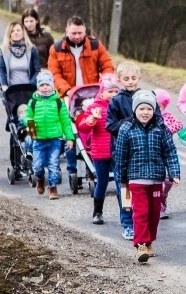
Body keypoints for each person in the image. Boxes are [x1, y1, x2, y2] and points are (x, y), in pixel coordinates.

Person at [115, 90, 180, 263]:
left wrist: (174, 173)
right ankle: (140, 245)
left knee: (154, 213)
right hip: (136, 179)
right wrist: (122, 180)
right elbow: (121, 156)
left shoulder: (160, 128)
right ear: (135, 110)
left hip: (156, 178)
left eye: (149, 109)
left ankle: (149, 240)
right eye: (141, 108)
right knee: (141, 212)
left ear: (154, 110)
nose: (145, 112)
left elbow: (170, 152)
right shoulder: (126, 129)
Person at [48, 15, 115, 179]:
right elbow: (54, 74)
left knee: (92, 131)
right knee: (71, 132)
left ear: (85, 31)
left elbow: (107, 66)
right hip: (69, 95)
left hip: (92, 96)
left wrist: (106, 84)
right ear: (66, 31)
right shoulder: (56, 49)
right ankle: (72, 170)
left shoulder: (95, 45)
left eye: (80, 33)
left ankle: (91, 166)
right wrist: (67, 90)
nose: (77, 36)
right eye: (73, 33)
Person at [106, 61, 149, 240]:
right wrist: (130, 123)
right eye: (126, 79)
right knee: (125, 190)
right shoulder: (116, 101)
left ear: (139, 78)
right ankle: (127, 224)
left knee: (143, 190)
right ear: (119, 80)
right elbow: (110, 125)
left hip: (144, 153)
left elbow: (157, 119)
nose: (130, 82)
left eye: (133, 78)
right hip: (122, 153)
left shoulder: (147, 96)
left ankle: (142, 223)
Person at [77, 75, 119, 224]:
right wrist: (90, 121)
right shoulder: (94, 107)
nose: (114, 95)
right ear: (102, 93)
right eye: (110, 92)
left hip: (118, 151)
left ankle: (125, 214)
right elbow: (83, 128)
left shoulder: (120, 107)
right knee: (102, 181)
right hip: (100, 152)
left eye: (116, 91)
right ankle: (97, 212)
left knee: (121, 182)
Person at [26, 71, 74, 200]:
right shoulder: (33, 102)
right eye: (42, 85)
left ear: (52, 86)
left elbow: (65, 121)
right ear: (37, 87)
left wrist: (69, 138)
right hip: (39, 139)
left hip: (55, 139)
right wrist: (29, 124)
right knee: (37, 165)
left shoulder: (58, 102)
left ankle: (53, 187)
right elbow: (27, 117)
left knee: (53, 164)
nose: (45, 87)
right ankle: (40, 179)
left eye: (47, 84)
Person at [155, 88, 183, 219]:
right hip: (155, 152)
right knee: (158, 180)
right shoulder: (151, 118)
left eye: (159, 105)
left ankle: (164, 196)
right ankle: (159, 206)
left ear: (164, 105)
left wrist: (168, 129)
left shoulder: (167, 116)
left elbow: (179, 124)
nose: (156, 108)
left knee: (169, 180)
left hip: (167, 150)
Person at [0, 22, 40, 90]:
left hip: (28, 90)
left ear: (23, 32)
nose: (15, 33)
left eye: (18, 30)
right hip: (10, 91)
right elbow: (0, 69)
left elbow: (37, 70)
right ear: (9, 34)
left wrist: (31, 85)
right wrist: (3, 85)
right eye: (12, 31)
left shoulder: (31, 49)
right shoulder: (4, 50)